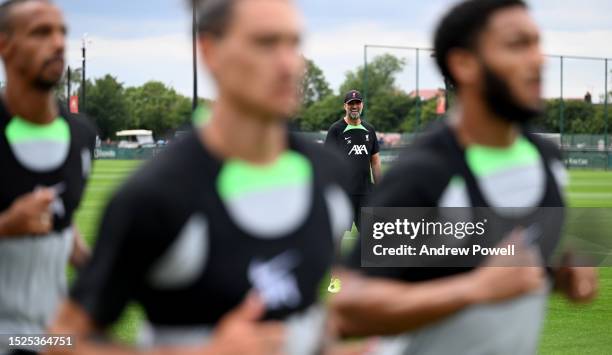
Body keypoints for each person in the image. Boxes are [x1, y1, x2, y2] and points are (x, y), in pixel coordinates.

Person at [47, 0, 353, 355]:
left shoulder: (329, 176)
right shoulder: (155, 196)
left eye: (293, 43)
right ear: (209, 51)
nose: (289, 64)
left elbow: (304, 321)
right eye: (265, 44)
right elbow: (58, 340)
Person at [331, 1, 597, 354]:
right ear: (464, 64)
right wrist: (476, 288)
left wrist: (556, 275)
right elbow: (349, 308)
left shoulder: (548, 160)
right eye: (517, 45)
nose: (538, 60)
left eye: (537, 43)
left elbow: (494, 261)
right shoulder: (427, 172)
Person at [0, 0, 95, 354]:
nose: (57, 43)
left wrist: (106, 269)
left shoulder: (82, 135)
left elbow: (64, 226)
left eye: (62, 32)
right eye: (41, 32)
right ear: (4, 45)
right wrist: (7, 224)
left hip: (54, 336)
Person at [325, 90, 382, 232]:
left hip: (366, 193)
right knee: (337, 236)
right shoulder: (336, 130)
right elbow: (327, 161)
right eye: (351, 104)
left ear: (362, 105)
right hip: (343, 193)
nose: (354, 106)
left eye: (357, 103)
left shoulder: (369, 129)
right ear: (345, 106)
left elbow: (375, 161)